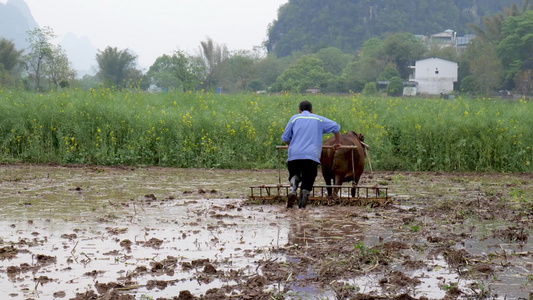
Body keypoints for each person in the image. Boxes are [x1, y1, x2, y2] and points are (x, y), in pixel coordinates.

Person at [282, 100, 341, 208]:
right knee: (308, 178)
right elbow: (336, 127)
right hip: (311, 156)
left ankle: (294, 188)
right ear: (312, 110)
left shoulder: (294, 118)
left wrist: (291, 145)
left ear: (299, 110)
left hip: (295, 154)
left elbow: (285, 137)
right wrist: (337, 142)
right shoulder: (318, 119)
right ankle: (304, 194)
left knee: (294, 173)